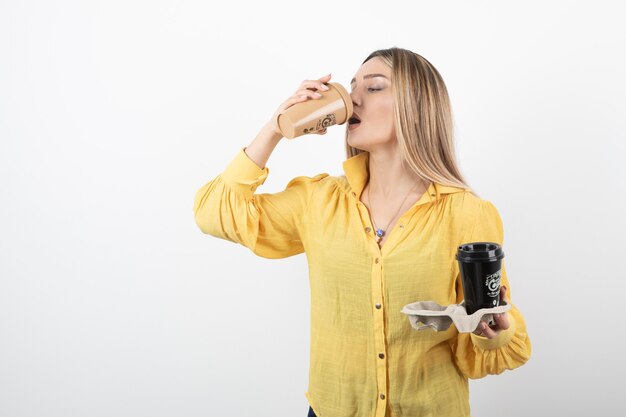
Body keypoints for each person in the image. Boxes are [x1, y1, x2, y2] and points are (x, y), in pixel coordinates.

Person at [193, 47, 532, 417]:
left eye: (373, 88)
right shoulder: (318, 201)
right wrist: (275, 128)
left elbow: (484, 350)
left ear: (416, 105)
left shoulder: (468, 213)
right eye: (352, 87)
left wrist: (492, 330)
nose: (352, 97)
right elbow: (214, 213)